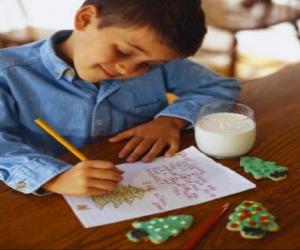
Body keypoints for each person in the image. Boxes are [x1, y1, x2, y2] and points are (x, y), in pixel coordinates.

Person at [0, 0, 240, 196]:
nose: (129, 70)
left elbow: (219, 87)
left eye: (148, 64)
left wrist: (170, 121)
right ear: (85, 19)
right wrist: (54, 178)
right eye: (123, 52)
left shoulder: (160, 64)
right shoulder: (8, 73)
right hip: (49, 199)